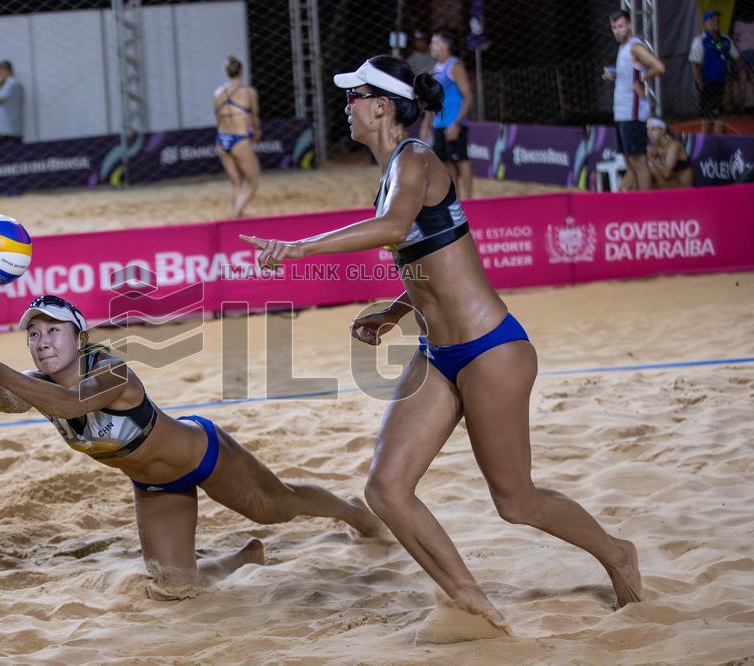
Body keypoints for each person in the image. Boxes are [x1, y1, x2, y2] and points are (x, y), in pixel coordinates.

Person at [238, 55, 643, 629]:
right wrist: (396, 311)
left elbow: (397, 230)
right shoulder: (391, 173)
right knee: (386, 489)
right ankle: (469, 599)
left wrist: (299, 248)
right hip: (437, 353)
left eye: (354, 95)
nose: (345, 105)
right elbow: (435, 260)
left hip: (490, 350)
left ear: (382, 106)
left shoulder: (417, 159)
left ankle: (617, 553)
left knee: (516, 502)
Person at [0, 295, 385, 593]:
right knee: (173, 584)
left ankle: (350, 511)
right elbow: (4, 401)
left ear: (79, 337)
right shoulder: (35, 385)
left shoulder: (113, 371)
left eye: (53, 330)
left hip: (205, 457)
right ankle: (244, 558)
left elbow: (69, 404)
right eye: (33, 334)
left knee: (276, 508)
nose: (42, 340)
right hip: (154, 487)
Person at [604, 10, 665, 191]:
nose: (617, 31)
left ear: (629, 25)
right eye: (614, 27)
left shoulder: (634, 46)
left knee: (639, 162)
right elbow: (630, 74)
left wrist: (642, 80)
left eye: (621, 26)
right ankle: (637, 201)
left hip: (633, 111)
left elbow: (658, 67)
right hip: (621, 111)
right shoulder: (622, 47)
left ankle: (645, 203)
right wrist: (614, 75)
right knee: (630, 161)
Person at [214, 56, 261, 218]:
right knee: (253, 182)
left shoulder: (218, 93)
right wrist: (256, 131)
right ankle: (234, 215)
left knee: (236, 184)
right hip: (239, 139)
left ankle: (237, 214)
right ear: (241, 71)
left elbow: (217, 118)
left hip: (222, 140)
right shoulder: (248, 92)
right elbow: (254, 116)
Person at [428, 33, 473, 200]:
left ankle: (470, 199)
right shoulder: (435, 69)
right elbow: (434, 100)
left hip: (454, 123)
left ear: (445, 45)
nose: (431, 45)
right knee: (447, 164)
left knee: (462, 160)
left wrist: (457, 123)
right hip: (439, 123)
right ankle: (457, 199)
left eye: (435, 42)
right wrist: (428, 123)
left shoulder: (455, 66)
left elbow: (468, 96)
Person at [689, 10, 745, 134]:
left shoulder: (725, 39)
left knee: (719, 115)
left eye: (717, 20)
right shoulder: (700, 40)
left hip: (721, 82)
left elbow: (737, 58)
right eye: (712, 20)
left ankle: (716, 144)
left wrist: (742, 70)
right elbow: (694, 65)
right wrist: (701, 84)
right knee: (710, 117)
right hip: (707, 83)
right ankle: (709, 145)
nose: (716, 22)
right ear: (705, 23)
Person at [645, 118, 693, 189]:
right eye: (648, 130)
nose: (649, 133)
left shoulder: (674, 146)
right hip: (667, 187)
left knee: (650, 166)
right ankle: (625, 191)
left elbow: (667, 173)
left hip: (685, 191)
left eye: (653, 129)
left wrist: (650, 157)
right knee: (639, 166)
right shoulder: (654, 148)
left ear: (663, 130)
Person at [0, 61, 24, 145]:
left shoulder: (10, 84)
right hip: (12, 129)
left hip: (4, 131)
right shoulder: (16, 84)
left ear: (4, 71)